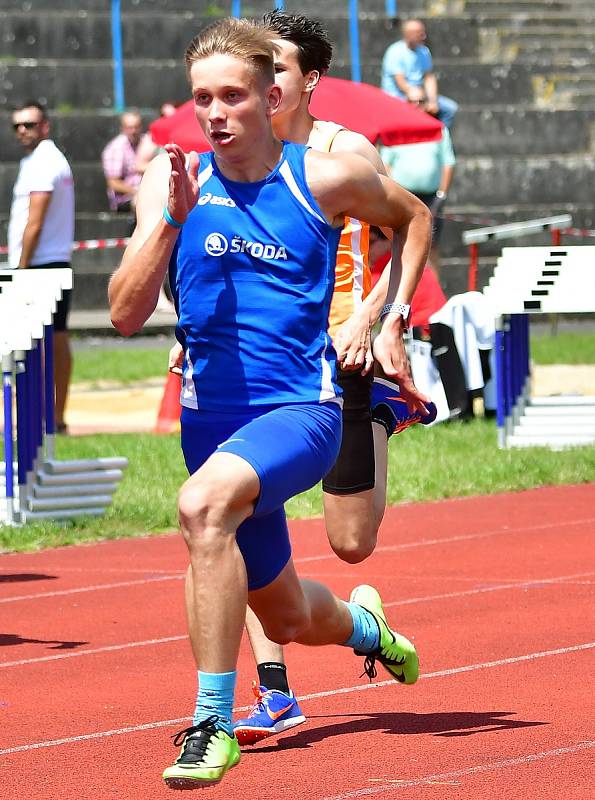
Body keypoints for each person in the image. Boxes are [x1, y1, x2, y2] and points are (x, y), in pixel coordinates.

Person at [109, 18, 432, 790]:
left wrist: (379, 317)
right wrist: (170, 223)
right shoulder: (171, 181)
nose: (215, 113)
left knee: (201, 508)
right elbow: (124, 312)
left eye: (231, 96)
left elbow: (413, 218)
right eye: (201, 99)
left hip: (302, 409)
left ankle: (211, 723)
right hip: (209, 417)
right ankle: (369, 629)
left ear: (271, 94)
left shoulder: (319, 176)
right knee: (285, 616)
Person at [229, 10, 437, 746]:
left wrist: (378, 319)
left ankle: (380, 415)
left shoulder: (342, 151)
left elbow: (406, 226)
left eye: (276, 68)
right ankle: (274, 691)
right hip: (264, 361)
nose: (263, 81)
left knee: (351, 547)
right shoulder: (239, 154)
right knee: (239, 513)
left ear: (308, 79)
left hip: (342, 357)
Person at [8, 100, 75, 434]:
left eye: (29, 125)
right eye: (17, 125)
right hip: (51, 262)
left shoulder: (42, 163)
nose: (22, 131)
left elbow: (34, 221)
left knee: (33, 345)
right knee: (55, 341)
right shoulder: (49, 160)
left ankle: (40, 417)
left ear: (44, 126)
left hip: (38, 266)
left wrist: (20, 269)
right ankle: (54, 417)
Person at [380, 86, 456, 280]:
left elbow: (448, 164)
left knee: (432, 246)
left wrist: (441, 195)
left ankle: (434, 294)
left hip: (431, 198)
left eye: (420, 101)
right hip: (402, 195)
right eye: (411, 101)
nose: (415, 105)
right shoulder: (395, 129)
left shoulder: (438, 129)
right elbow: (385, 165)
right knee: (399, 245)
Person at [381, 18, 458, 128]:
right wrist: (418, 100)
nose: (424, 36)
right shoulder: (395, 52)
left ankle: (440, 141)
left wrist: (432, 100)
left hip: (420, 95)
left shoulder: (424, 51)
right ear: (408, 34)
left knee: (450, 109)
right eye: (419, 33)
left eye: (423, 32)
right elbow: (401, 82)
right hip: (397, 97)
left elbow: (428, 77)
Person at [101, 109, 144, 213]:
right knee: (142, 201)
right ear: (123, 128)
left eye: (136, 127)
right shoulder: (115, 148)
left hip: (146, 193)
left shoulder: (146, 142)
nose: (133, 131)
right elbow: (113, 183)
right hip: (125, 199)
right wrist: (139, 191)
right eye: (129, 128)